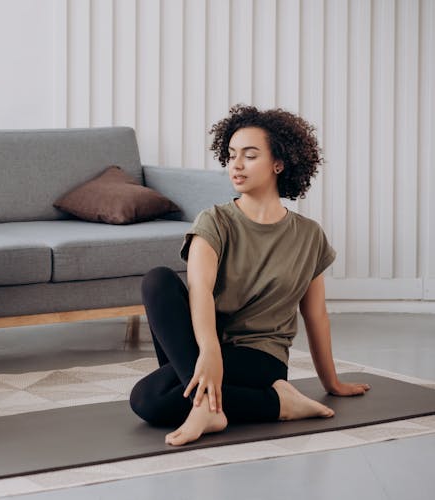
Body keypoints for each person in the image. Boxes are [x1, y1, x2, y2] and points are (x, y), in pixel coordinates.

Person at [129, 105, 370, 446]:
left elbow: (315, 314)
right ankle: (275, 404)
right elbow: (199, 291)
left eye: (250, 155)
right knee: (157, 280)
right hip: (203, 349)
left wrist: (332, 383)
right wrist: (210, 351)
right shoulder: (214, 221)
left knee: (149, 399)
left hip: (261, 358)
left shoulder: (309, 235)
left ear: (278, 163)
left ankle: (216, 404)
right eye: (231, 156)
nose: (236, 165)